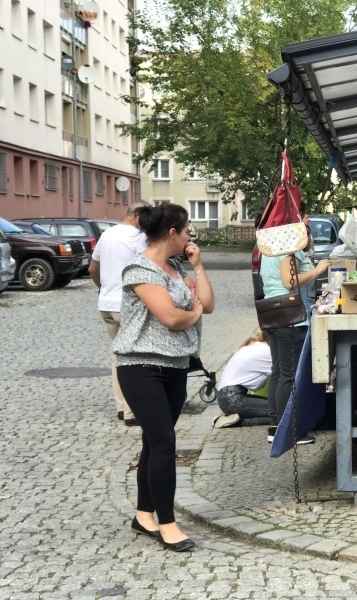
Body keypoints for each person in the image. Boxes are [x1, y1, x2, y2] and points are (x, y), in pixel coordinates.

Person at [114, 203, 215, 552]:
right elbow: (171, 318)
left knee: (152, 443)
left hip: (174, 367)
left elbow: (208, 303)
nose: (191, 237)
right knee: (164, 443)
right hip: (140, 368)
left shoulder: (174, 268)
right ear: (172, 233)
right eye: (188, 231)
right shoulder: (138, 269)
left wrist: (197, 266)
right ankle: (167, 523)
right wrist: (194, 311)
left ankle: (143, 516)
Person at [261, 215, 330, 444]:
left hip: (273, 313)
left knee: (279, 372)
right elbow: (289, 281)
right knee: (288, 375)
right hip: (291, 317)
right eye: (306, 227)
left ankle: (275, 425)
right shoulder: (288, 248)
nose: (308, 234)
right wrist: (318, 269)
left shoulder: (269, 247)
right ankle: (286, 429)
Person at [88, 201, 149, 426]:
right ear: (136, 215)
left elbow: (92, 269)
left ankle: (122, 408)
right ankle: (132, 411)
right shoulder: (138, 237)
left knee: (118, 357)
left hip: (106, 304)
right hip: (127, 306)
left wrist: (103, 288)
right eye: (146, 216)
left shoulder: (107, 235)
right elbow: (149, 267)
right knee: (133, 358)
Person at [212, 329, 272, 429]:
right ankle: (239, 422)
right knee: (281, 412)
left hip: (228, 397)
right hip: (233, 399)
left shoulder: (256, 345)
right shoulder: (266, 351)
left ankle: (233, 418)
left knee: (278, 411)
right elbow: (287, 373)